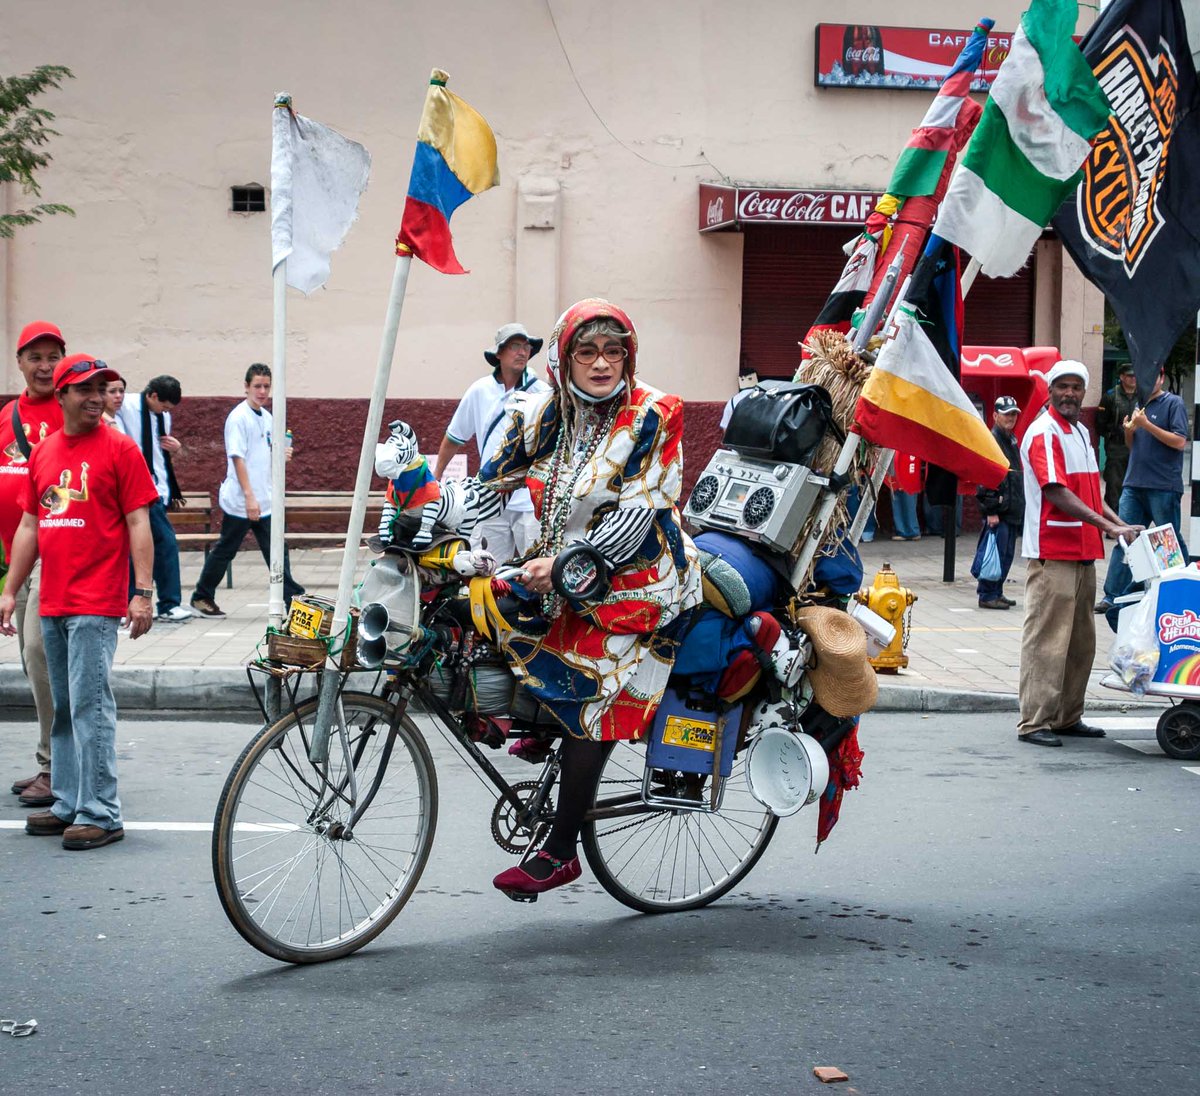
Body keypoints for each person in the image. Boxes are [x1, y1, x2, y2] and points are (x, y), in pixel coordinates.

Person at [426, 299, 701, 896]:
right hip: (560, 569)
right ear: (564, 357)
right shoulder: (545, 412)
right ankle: (540, 719)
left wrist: (573, 563)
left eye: (614, 351)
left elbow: (646, 509)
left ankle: (561, 848)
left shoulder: (656, 412)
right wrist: (425, 517)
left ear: (628, 356)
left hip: (640, 577)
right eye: (587, 351)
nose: (602, 364)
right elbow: (486, 485)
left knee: (591, 688)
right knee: (480, 605)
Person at [0, 354, 159, 849]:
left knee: (90, 705)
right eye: (85, 389)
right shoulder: (45, 451)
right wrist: (9, 590)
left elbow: (139, 522)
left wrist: (144, 593)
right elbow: (31, 525)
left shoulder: (119, 448)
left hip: (96, 598)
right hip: (52, 598)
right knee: (66, 707)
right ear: (63, 395)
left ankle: (102, 812)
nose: (95, 397)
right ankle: (67, 801)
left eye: (102, 388)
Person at [1017, 361, 1141, 747]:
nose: (1069, 393)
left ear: (1083, 393)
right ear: (1050, 390)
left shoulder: (1080, 433)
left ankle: (1068, 716)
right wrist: (1107, 527)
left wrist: (1119, 523)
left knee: (1079, 643)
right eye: (1062, 386)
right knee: (1048, 640)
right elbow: (1055, 491)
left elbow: (1090, 495)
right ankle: (1035, 722)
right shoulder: (1044, 432)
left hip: (1083, 551)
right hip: (1053, 551)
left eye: (1076, 387)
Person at [0, 321, 66, 808]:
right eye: (35, 357)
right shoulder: (7, 417)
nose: (44, 366)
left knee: (40, 655)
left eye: (52, 357)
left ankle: (57, 767)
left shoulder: (72, 410)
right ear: (19, 362)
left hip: (58, 557)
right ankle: (50, 758)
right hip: (13, 561)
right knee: (32, 663)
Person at [189, 363, 303, 618]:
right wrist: (249, 497)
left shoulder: (267, 417)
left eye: (266, 386)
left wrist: (281, 454)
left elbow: (267, 451)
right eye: (257, 386)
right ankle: (201, 596)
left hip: (264, 498)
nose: (262, 391)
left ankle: (292, 599)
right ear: (246, 387)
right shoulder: (239, 417)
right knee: (227, 550)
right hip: (243, 500)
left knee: (275, 550)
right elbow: (237, 458)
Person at [433, 323, 550, 562]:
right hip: (490, 496)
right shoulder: (479, 390)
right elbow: (455, 437)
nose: (522, 352)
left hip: (529, 500)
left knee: (533, 569)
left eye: (527, 347)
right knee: (490, 568)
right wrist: (435, 477)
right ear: (499, 353)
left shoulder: (541, 392)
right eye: (515, 346)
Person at [1096, 367, 1190, 615]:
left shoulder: (1173, 403)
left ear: (1161, 378)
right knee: (1125, 539)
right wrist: (1130, 431)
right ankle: (1112, 595)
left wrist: (1147, 425)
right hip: (1133, 483)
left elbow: (1180, 442)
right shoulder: (1138, 405)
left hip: (1163, 485)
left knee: (1168, 541)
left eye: (1153, 377)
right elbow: (1132, 445)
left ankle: (1182, 592)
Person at [115, 375, 193, 621]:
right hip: (136, 488)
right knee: (164, 543)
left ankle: (160, 602)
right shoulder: (124, 405)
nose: (166, 412)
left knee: (153, 545)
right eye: (165, 406)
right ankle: (166, 603)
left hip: (156, 489)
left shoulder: (162, 417)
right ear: (153, 396)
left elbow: (160, 456)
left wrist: (176, 449)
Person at [974, 396, 1024, 610]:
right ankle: (987, 594)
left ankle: (997, 591)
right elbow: (985, 478)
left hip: (1010, 508)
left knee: (1005, 554)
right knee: (994, 552)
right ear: (995, 415)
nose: (1011, 417)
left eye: (1013, 413)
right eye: (1006, 413)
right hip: (999, 510)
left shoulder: (1010, 439)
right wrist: (991, 510)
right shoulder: (993, 440)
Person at [1095, 362, 1138, 513]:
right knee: (1114, 485)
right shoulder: (1110, 396)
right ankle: (1113, 522)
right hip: (1117, 448)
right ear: (1122, 377)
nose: (1133, 379)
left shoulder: (1144, 395)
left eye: (1135, 375)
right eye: (1129, 376)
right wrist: (1114, 433)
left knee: (1137, 487)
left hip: (1138, 448)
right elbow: (1100, 424)